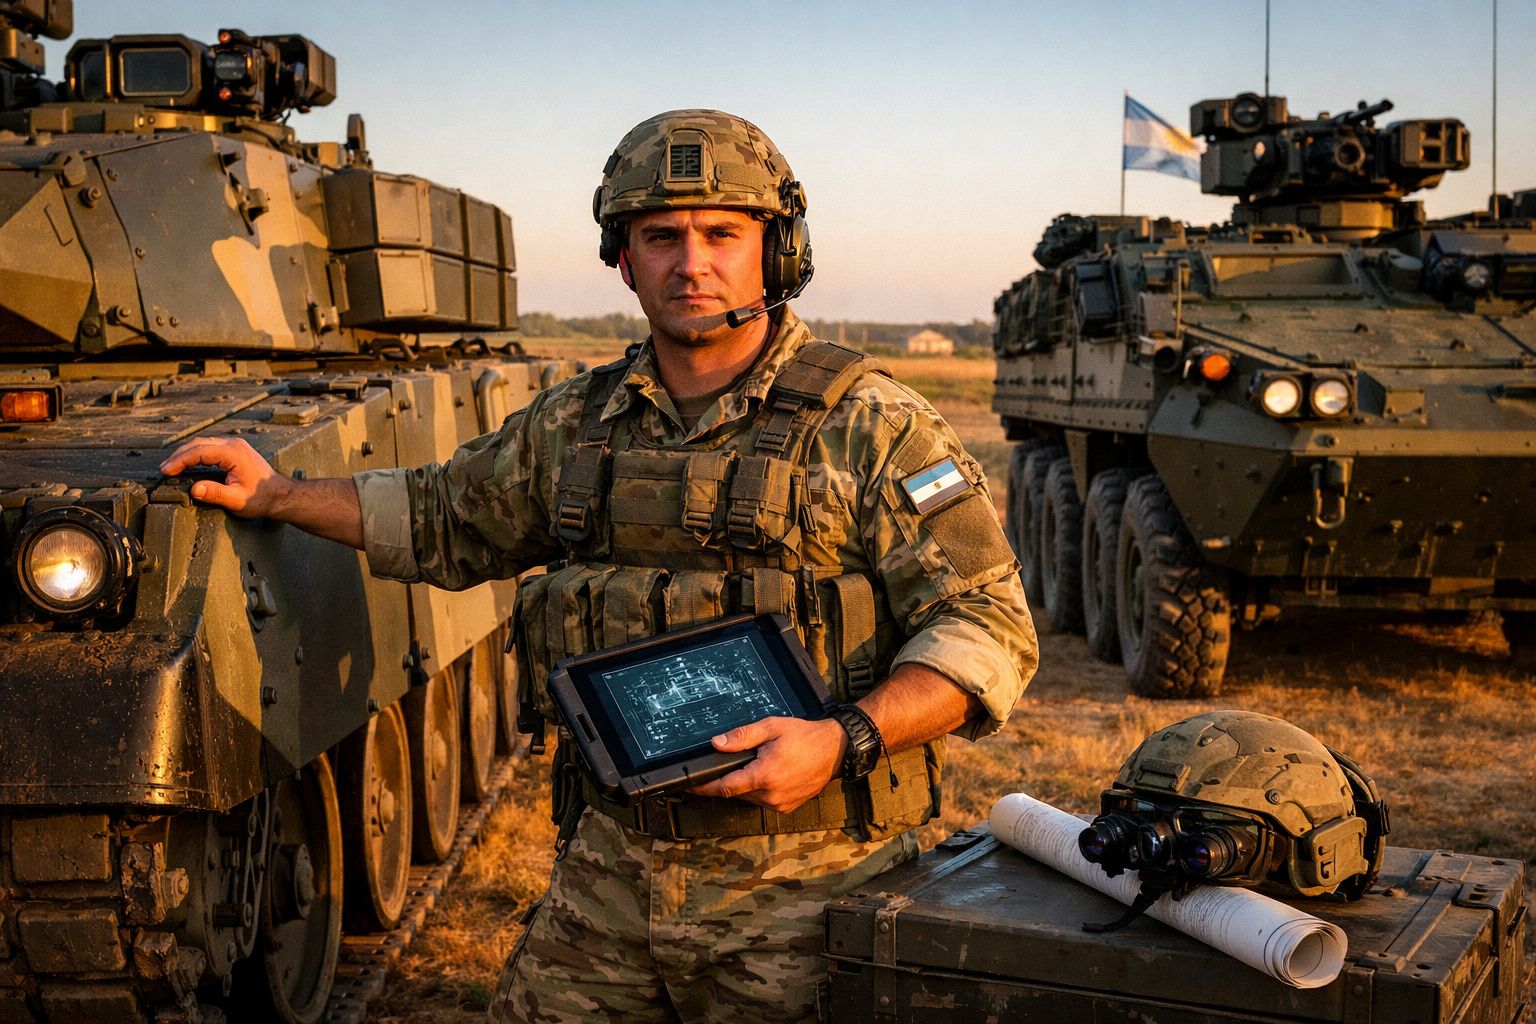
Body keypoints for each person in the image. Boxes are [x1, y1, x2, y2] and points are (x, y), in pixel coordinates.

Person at [161, 109, 1037, 1023]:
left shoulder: (875, 426)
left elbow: (988, 624)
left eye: (722, 235)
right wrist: (278, 494)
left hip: (810, 887)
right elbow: (441, 516)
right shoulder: (576, 423)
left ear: (778, 252)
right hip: (612, 874)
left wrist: (844, 738)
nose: (690, 264)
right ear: (624, 258)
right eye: (661, 237)